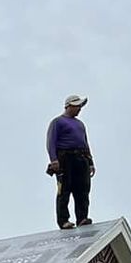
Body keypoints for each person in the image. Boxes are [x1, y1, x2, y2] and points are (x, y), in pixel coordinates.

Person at [46, 94, 94, 230]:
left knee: (83, 189)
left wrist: (90, 162)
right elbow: (51, 142)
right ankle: (63, 220)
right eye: (77, 106)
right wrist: (54, 160)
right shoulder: (58, 122)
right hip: (65, 158)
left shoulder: (80, 124)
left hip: (81, 158)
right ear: (68, 106)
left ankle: (82, 218)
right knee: (64, 190)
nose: (79, 109)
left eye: (80, 106)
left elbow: (85, 143)